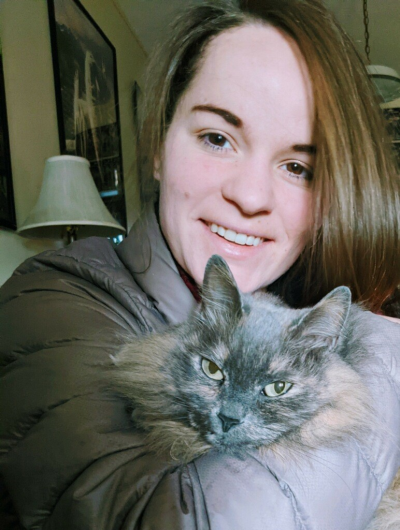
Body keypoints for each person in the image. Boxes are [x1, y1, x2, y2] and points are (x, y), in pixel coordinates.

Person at [1, 0, 399, 528]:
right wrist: (382, 354)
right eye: (217, 138)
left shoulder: (293, 297)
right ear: (158, 146)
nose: (251, 196)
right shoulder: (47, 300)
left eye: (297, 166)